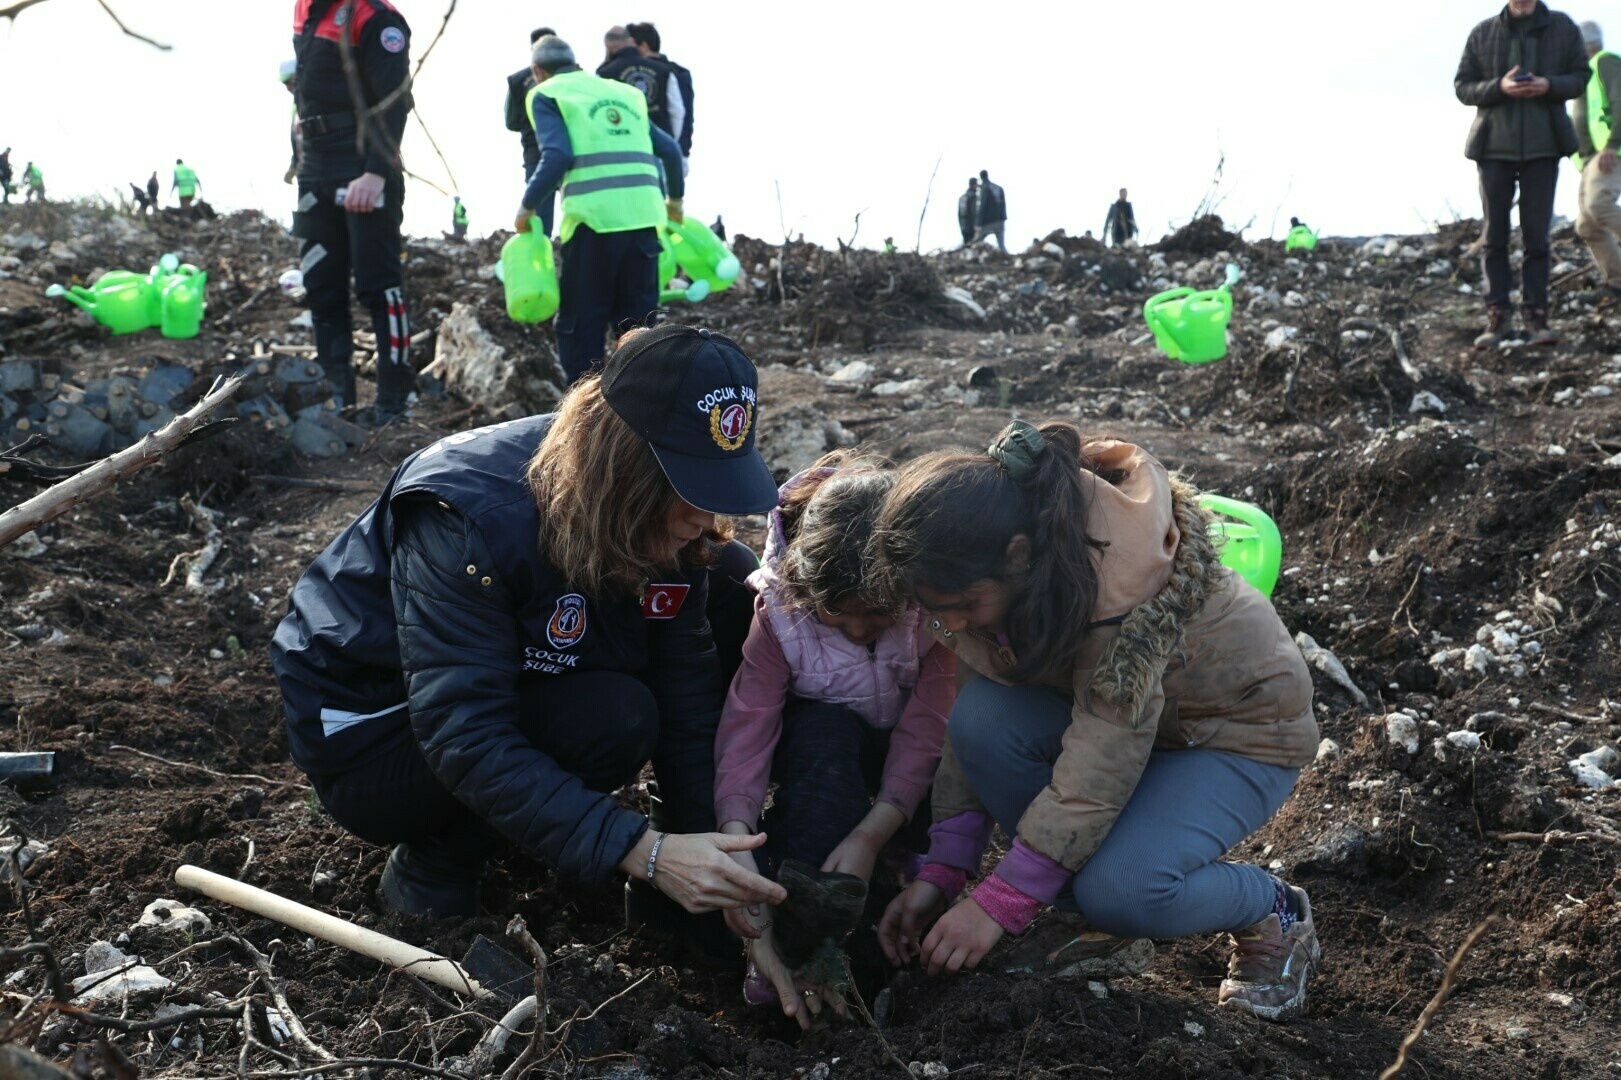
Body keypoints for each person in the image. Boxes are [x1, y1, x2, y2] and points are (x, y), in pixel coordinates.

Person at [272, 324, 784, 927]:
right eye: (688, 488)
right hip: (379, 734)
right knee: (613, 718)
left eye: (716, 486)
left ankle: (670, 904)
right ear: (627, 468)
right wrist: (641, 853)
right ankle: (437, 861)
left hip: (521, 660)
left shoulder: (652, 515)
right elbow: (463, 732)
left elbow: (685, 685)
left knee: (730, 578)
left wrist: (714, 850)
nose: (705, 514)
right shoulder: (469, 515)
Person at [873, 421, 1322, 1022]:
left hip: (1233, 733)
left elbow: (1103, 754)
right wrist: (947, 867)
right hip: (1131, 727)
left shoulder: (1117, 592)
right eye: (938, 611)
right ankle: (1080, 915)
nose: (951, 624)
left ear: (1017, 556)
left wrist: (1002, 899)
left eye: (962, 606)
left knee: (1123, 890)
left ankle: (1273, 909)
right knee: (983, 719)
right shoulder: (992, 580)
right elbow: (971, 726)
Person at [713, 456, 955, 1028]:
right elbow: (749, 726)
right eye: (837, 616)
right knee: (825, 731)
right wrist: (736, 841)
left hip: (911, 770)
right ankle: (802, 918)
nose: (858, 630)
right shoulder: (781, 615)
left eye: (876, 615)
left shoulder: (933, 613)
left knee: (954, 758)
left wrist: (875, 834)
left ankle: (893, 871)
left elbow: (928, 729)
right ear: (804, 585)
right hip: (824, 761)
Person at [517, 35, 685, 383]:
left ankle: (584, 421)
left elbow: (557, 156)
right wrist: (675, 201)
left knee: (581, 327)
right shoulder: (626, 93)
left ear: (537, 71)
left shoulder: (546, 93)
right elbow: (669, 150)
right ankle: (640, 418)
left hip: (593, 225)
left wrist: (527, 207)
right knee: (638, 331)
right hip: (644, 223)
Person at [291, 0, 415, 424]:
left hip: (362, 161)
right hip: (315, 166)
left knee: (380, 288)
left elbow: (396, 100)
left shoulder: (374, 16)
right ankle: (335, 401)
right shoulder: (305, 10)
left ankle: (395, 402)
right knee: (322, 288)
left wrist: (376, 173)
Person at [1455, 0, 1587, 348]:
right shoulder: (1483, 32)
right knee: (1494, 236)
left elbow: (1580, 78)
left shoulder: (1563, 27)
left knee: (1537, 238)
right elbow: (1463, 87)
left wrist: (1548, 85)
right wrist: (1500, 87)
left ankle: (1536, 319)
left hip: (1544, 148)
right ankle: (1498, 319)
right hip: (1493, 149)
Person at [1573, 20, 1621, 297]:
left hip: (1611, 152)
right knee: (1587, 225)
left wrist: (1612, 145)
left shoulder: (1606, 63)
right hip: (1593, 159)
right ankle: (1617, 280)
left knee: (1599, 204)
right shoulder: (1584, 74)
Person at [598, 25, 683, 144]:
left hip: (624, 144)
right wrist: (671, 142)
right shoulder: (663, 70)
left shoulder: (604, 74)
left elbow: (601, 113)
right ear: (631, 41)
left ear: (608, 46)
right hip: (660, 148)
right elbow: (677, 111)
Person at [628, 22, 694, 159]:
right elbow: (686, 114)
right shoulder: (680, 72)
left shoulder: (642, 73)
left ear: (644, 46)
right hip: (678, 150)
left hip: (652, 150)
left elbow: (678, 112)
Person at [505, 26, 555, 181]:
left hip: (534, 151)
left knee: (538, 204)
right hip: (571, 150)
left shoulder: (518, 80)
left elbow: (511, 122)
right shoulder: (572, 73)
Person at [973, 170, 1007, 253]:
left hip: (988, 223)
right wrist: (1003, 218)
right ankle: (1008, 260)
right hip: (1000, 220)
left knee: (975, 243)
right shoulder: (998, 188)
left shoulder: (984, 188)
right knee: (1001, 245)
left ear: (981, 177)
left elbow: (982, 206)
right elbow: (1003, 205)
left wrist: (978, 223)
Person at [282, 59, 302, 185]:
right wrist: (293, 165)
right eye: (286, 83)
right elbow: (297, 139)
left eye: (291, 81)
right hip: (305, 168)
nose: (288, 87)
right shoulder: (296, 105)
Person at [957, 178, 978, 246]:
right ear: (974, 185)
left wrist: (961, 225)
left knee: (966, 245)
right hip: (971, 225)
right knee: (973, 246)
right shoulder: (973, 196)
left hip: (963, 225)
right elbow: (973, 212)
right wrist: (976, 225)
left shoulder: (962, 197)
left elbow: (959, 214)